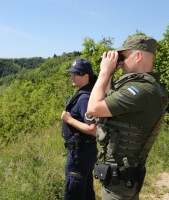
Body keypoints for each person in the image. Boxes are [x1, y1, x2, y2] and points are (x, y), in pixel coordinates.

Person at [86, 35, 168, 200]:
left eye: (123, 56)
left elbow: (94, 108)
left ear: (138, 56)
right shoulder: (147, 87)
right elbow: (105, 99)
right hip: (125, 177)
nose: (120, 61)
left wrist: (104, 72)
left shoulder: (141, 91)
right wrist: (110, 74)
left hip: (120, 182)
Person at [61, 58, 98, 200]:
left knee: (74, 191)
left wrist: (68, 119)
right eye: (72, 73)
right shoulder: (86, 93)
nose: (72, 76)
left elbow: (93, 129)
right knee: (86, 191)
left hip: (79, 154)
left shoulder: (84, 98)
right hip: (85, 152)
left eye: (76, 73)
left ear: (86, 76)